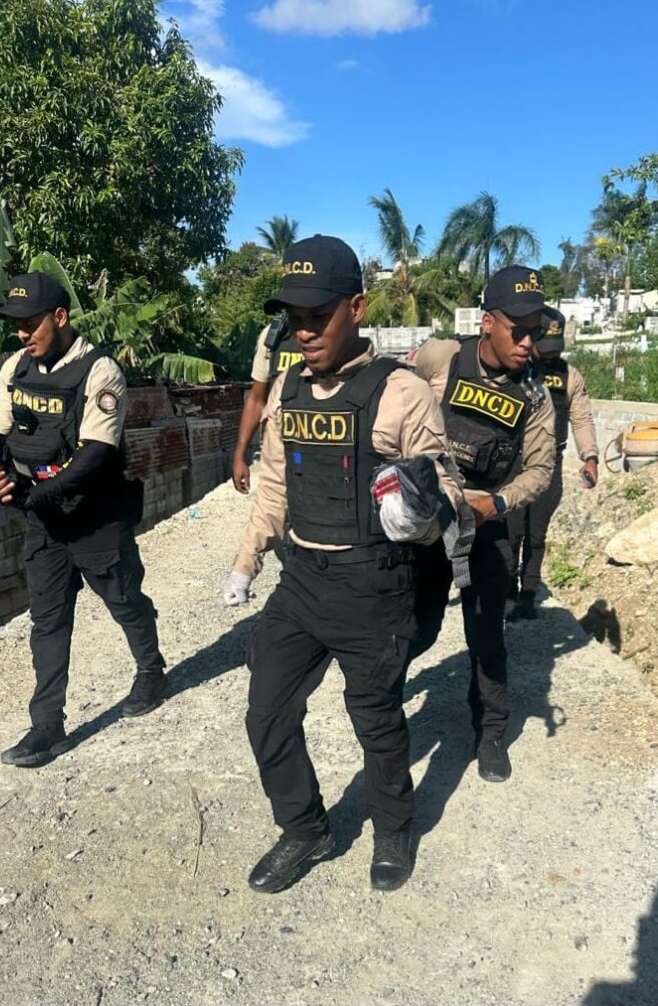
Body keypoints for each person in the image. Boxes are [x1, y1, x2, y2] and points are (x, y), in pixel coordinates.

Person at [222, 235, 462, 893]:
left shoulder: (402, 393)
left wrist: (419, 512)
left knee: (375, 720)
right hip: (302, 579)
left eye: (317, 316)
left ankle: (393, 829)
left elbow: (442, 485)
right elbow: (275, 483)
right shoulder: (287, 389)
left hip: (373, 584)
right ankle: (305, 828)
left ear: (355, 308)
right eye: (294, 319)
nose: (304, 332)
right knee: (266, 711)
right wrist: (246, 561)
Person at [0, 272, 167, 768]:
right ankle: (47, 726)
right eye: (16, 325)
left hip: (96, 517)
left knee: (124, 600)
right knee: (48, 621)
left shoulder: (100, 371)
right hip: (44, 520)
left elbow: (95, 454)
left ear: (59, 317)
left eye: (30, 324)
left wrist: (32, 494)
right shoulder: (15, 367)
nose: (22, 333)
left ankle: (151, 671)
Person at [410, 265, 556, 784]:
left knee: (486, 635)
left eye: (535, 330)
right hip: (431, 519)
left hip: (487, 521)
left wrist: (497, 502)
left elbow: (540, 470)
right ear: (488, 322)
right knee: (417, 624)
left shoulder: (535, 394)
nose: (527, 342)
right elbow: (398, 395)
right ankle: (383, 700)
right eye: (518, 329)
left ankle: (491, 732)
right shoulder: (442, 357)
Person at [508, 310, 599, 620]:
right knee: (512, 531)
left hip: (550, 461)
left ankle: (528, 593)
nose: (551, 354)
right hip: (514, 462)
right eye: (545, 347)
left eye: (555, 348)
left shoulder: (570, 375)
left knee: (537, 534)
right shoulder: (513, 370)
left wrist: (590, 457)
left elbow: (581, 418)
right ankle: (506, 590)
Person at [231, 316, 303, 493]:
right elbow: (256, 400)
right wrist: (239, 456)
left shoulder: (335, 331)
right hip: (279, 452)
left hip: (321, 452)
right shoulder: (274, 336)